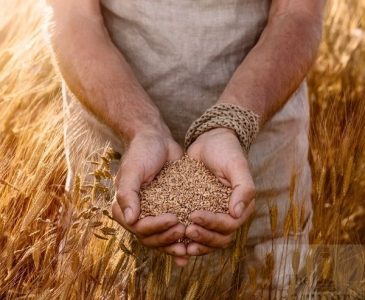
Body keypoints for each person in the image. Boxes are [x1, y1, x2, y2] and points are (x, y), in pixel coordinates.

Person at [48, 0, 324, 295]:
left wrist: (231, 124)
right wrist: (141, 128)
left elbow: (297, 13)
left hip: (265, 180)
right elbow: (72, 16)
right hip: (112, 186)